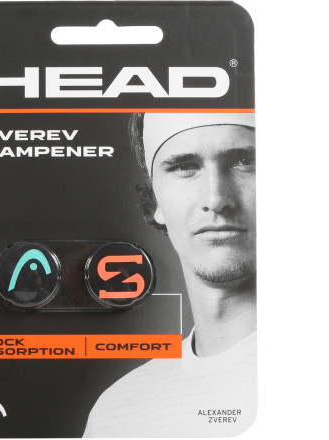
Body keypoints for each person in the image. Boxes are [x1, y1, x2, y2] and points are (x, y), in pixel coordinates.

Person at [83, 112, 257, 437]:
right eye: (184, 166)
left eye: (245, 161)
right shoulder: (117, 411)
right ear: (156, 201)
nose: (216, 199)